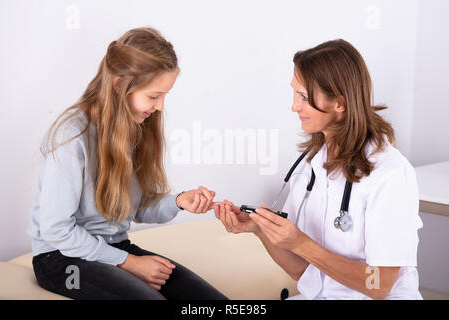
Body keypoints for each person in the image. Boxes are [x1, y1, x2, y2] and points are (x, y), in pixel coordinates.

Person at [27, 27, 227, 300]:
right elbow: (56, 230)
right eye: (154, 96)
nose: (159, 107)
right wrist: (128, 262)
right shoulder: (71, 137)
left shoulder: (131, 127)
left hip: (115, 249)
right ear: (120, 86)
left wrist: (179, 201)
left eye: (164, 96)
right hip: (62, 261)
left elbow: (135, 206)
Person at [214, 39, 423, 300]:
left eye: (304, 97)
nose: (294, 106)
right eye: (294, 93)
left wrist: (301, 243)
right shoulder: (308, 166)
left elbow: (379, 285)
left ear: (340, 103)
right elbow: (303, 272)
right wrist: (261, 230)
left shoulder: (390, 174)